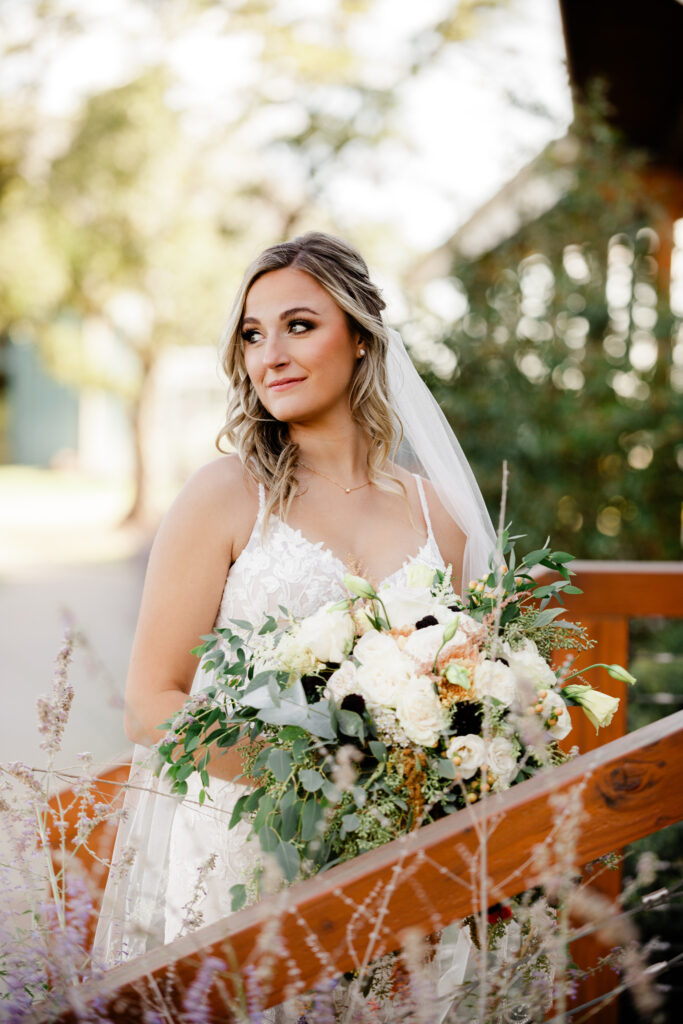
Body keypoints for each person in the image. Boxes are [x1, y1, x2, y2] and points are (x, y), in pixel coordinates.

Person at [94, 233, 496, 998]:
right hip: (245, 861)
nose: (269, 353)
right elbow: (151, 707)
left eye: (299, 325)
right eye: (252, 334)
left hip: (400, 865)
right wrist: (315, 777)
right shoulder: (225, 494)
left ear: (360, 338)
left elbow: (471, 698)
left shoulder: (435, 512)